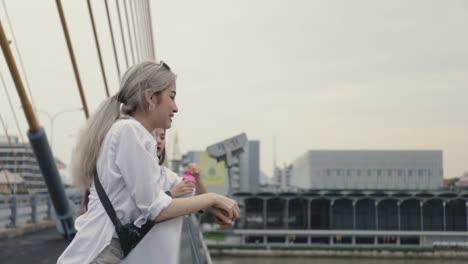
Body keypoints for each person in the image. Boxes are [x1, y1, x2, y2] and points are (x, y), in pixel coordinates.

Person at [58, 61, 239, 263]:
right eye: (172, 97)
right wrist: (213, 198)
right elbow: (157, 210)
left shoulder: (129, 132)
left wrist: (212, 205)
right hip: (101, 253)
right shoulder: (130, 132)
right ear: (151, 97)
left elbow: (180, 196)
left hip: (103, 250)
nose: (176, 108)